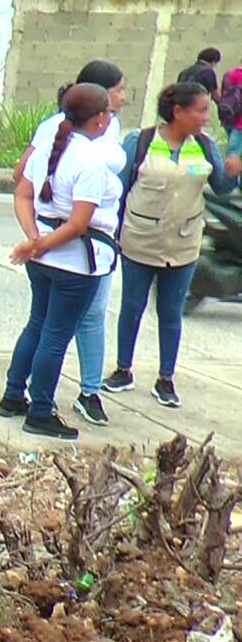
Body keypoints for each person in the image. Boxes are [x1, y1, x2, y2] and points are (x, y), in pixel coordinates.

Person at [103, 82, 242, 407]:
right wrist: (114, 233)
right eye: (201, 110)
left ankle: (166, 378)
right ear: (178, 111)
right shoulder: (141, 142)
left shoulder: (205, 146)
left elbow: (220, 186)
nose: (207, 117)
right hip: (139, 241)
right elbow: (120, 191)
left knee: (170, 312)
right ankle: (123, 370)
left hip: (183, 243)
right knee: (133, 308)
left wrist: (233, 172)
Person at [0, 84, 121, 441]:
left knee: (37, 323)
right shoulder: (90, 161)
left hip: (45, 256)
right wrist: (39, 244)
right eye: (109, 113)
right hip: (75, 263)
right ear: (99, 119)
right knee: (56, 334)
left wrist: (35, 240)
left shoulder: (53, 146)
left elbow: (22, 194)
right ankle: (39, 410)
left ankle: (12, 394)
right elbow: (79, 223)